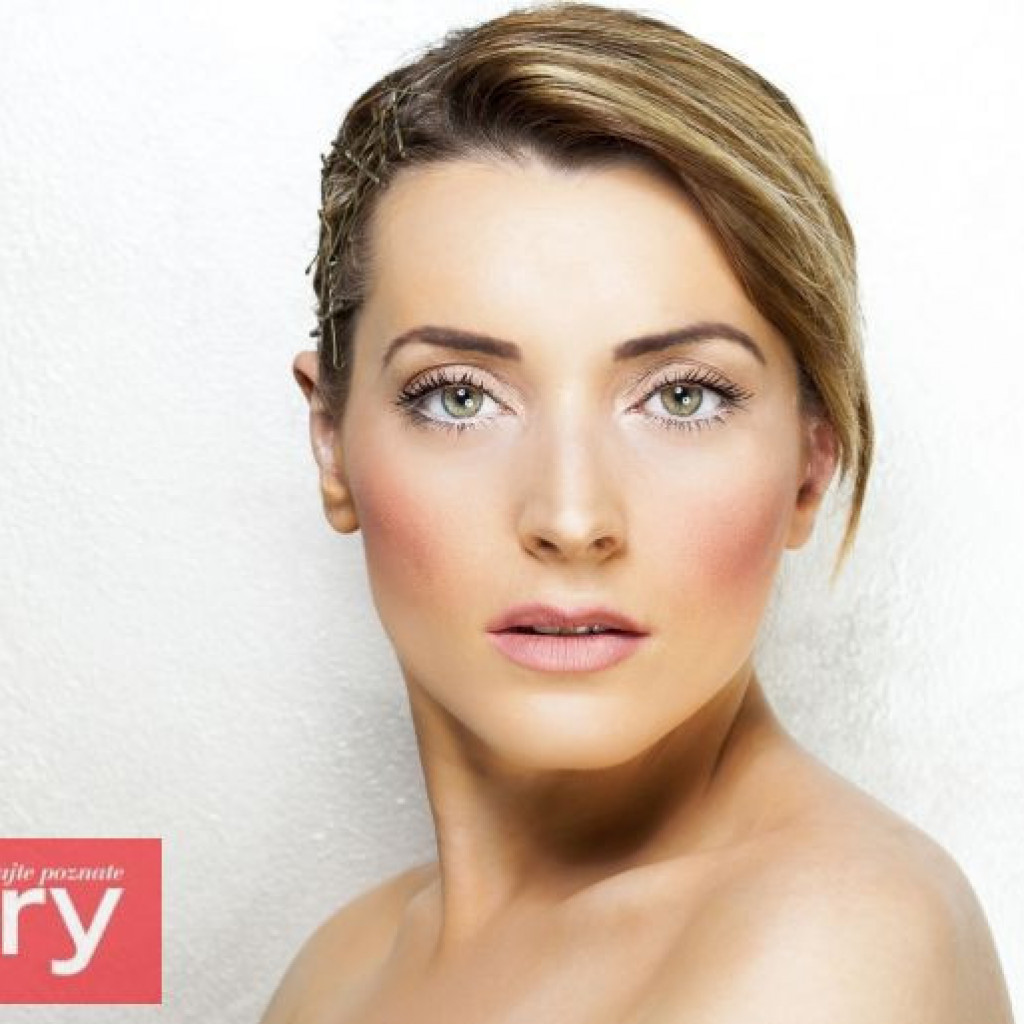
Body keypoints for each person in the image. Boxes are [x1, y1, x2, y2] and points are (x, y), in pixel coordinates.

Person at [261, 4, 1014, 1021]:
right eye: (460, 397)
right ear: (331, 440)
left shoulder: (836, 945)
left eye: (682, 397)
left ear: (809, 464)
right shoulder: (339, 969)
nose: (572, 517)